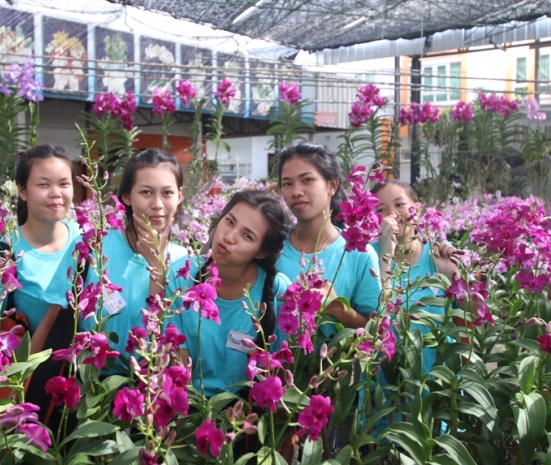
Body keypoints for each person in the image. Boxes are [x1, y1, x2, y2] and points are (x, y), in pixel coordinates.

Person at [168, 190, 290, 397]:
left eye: (247, 236)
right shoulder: (181, 275)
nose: (229, 237)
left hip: (248, 408)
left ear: (261, 252)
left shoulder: (278, 290)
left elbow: (280, 368)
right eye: (230, 221)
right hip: (191, 403)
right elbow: (178, 364)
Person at [82, 149, 187, 367]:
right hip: (91, 380)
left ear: (180, 196)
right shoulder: (96, 247)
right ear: (127, 196)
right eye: (146, 192)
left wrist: (157, 265)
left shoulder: (185, 263)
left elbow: (170, 345)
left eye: (167, 193)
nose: (157, 204)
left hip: (149, 380)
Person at [0, 144, 81, 340]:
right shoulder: (0, 256)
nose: (56, 193)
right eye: (43, 185)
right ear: (22, 190)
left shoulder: (87, 241)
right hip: (29, 360)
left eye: (64, 184)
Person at [275, 143, 381, 337]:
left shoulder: (359, 254)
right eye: (287, 183)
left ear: (332, 185)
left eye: (307, 180)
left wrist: (339, 309)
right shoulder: (272, 247)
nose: (296, 191)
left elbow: (376, 331)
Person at [373, 179, 458, 374]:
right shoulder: (367, 257)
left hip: (440, 381)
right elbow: (379, 316)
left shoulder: (438, 254)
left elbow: (476, 313)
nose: (393, 215)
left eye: (399, 204)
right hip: (385, 379)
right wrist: (386, 254)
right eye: (381, 210)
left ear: (416, 210)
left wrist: (454, 275)